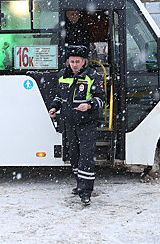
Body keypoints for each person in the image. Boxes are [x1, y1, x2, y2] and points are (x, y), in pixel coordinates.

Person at [48, 45, 105, 206]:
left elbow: (101, 99)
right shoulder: (62, 76)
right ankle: (80, 183)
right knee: (74, 156)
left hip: (87, 123)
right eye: (72, 61)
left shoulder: (93, 76)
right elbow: (59, 97)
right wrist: (54, 107)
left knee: (86, 157)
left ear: (83, 61)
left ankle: (86, 192)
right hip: (70, 123)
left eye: (77, 61)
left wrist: (89, 105)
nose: (74, 65)